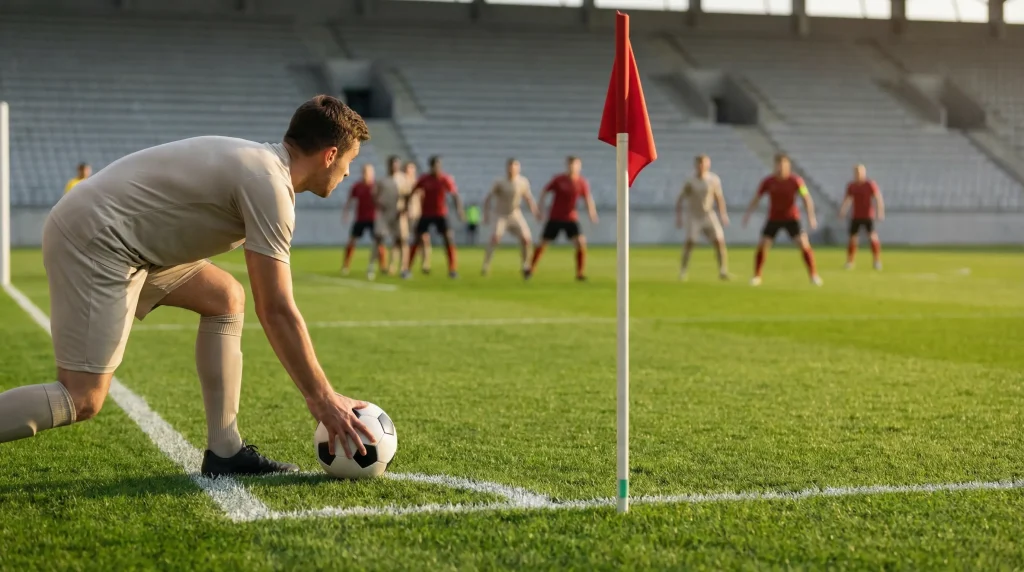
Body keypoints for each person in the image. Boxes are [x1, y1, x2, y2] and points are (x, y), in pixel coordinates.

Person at [0, 95, 377, 476]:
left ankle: (225, 451)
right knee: (82, 398)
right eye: (350, 161)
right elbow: (276, 307)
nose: (348, 173)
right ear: (330, 155)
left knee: (224, 297)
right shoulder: (269, 184)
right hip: (99, 239)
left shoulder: (263, 166)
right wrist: (323, 398)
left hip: (127, 242)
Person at [742, 154, 822, 286]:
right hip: (774, 218)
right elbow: (757, 197)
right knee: (763, 244)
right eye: (779, 165)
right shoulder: (768, 181)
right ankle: (757, 276)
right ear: (775, 165)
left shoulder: (796, 181)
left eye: (784, 165)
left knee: (804, 244)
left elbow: (806, 198)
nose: (781, 168)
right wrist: (748, 214)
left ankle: (813, 275)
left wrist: (811, 217)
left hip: (792, 219)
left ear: (788, 166)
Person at [528, 156, 598, 281]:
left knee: (581, 242)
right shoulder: (559, 180)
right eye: (570, 165)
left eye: (575, 165)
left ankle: (580, 273)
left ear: (579, 167)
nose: (573, 167)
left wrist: (592, 213)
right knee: (543, 243)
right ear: (567, 165)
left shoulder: (581, 182)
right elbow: (545, 191)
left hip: (571, 218)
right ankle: (531, 268)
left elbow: (587, 198)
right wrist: (540, 208)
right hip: (555, 217)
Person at [406, 156, 464, 279]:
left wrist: (459, 210)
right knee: (416, 239)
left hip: (440, 214)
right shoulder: (424, 179)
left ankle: (452, 269)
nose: (437, 168)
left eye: (439, 166)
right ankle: (407, 269)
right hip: (426, 214)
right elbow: (412, 192)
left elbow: (455, 195)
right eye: (435, 166)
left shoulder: (444, 179)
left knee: (448, 238)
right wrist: (407, 206)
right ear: (431, 167)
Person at [676, 154, 730, 281]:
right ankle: (683, 271)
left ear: (708, 165)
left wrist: (723, 214)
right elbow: (680, 198)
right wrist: (679, 217)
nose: (702, 166)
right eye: (699, 164)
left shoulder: (713, 179)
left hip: (708, 214)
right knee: (690, 242)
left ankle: (723, 270)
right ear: (696, 165)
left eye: (704, 163)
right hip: (694, 215)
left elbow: (718, 198)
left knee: (719, 241)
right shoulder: (690, 180)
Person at [481, 158, 539, 276]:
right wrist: (486, 214)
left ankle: (525, 266)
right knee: (495, 238)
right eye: (510, 167)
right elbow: (488, 198)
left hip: (515, 214)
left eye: (515, 167)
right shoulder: (499, 182)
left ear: (518, 168)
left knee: (526, 239)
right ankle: (486, 265)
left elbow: (528, 198)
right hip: (500, 214)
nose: (512, 169)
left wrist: (534, 211)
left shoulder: (522, 182)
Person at [341, 163, 386, 280]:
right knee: (352, 241)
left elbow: (382, 202)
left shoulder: (376, 187)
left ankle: (383, 266)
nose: (367, 174)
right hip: (360, 219)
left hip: (373, 219)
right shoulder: (357, 186)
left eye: (369, 172)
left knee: (379, 243)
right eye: (365, 172)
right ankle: (346, 266)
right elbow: (350, 201)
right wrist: (346, 213)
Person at [838, 164, 885, 270]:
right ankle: (850, 261)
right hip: (856, 216)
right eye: (856, 172)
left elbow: (878, 198)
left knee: (872, 237)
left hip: (868, 216)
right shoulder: (851, 186)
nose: (858, 174)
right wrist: (842, 211)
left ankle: (877, 261)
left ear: (864, 172)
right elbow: (847, 199)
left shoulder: (870, 184)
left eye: (860, 172)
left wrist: (880, 212)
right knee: (852, 239)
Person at [374, 156, 410, 276]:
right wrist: (379, 204)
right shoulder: (382, 180)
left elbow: (408, 196)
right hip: (385, 213)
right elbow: (374, 195)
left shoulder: (403, 179)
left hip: (399, 213)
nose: (394, 166)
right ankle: (384, 266)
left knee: (401, 240)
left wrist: (404, 209)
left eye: (396, 164)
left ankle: (403, 268)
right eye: (392, 164)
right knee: (380, 237)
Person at [403, 161, 431, 275]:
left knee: (424, 239)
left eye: (411, 168)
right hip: (406, 215)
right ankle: (404, 264)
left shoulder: (418, 183)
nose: (409, 171)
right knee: (405, 240)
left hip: (418, 215)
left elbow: (423, 198)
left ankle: (425, 263)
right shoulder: (403, 183)